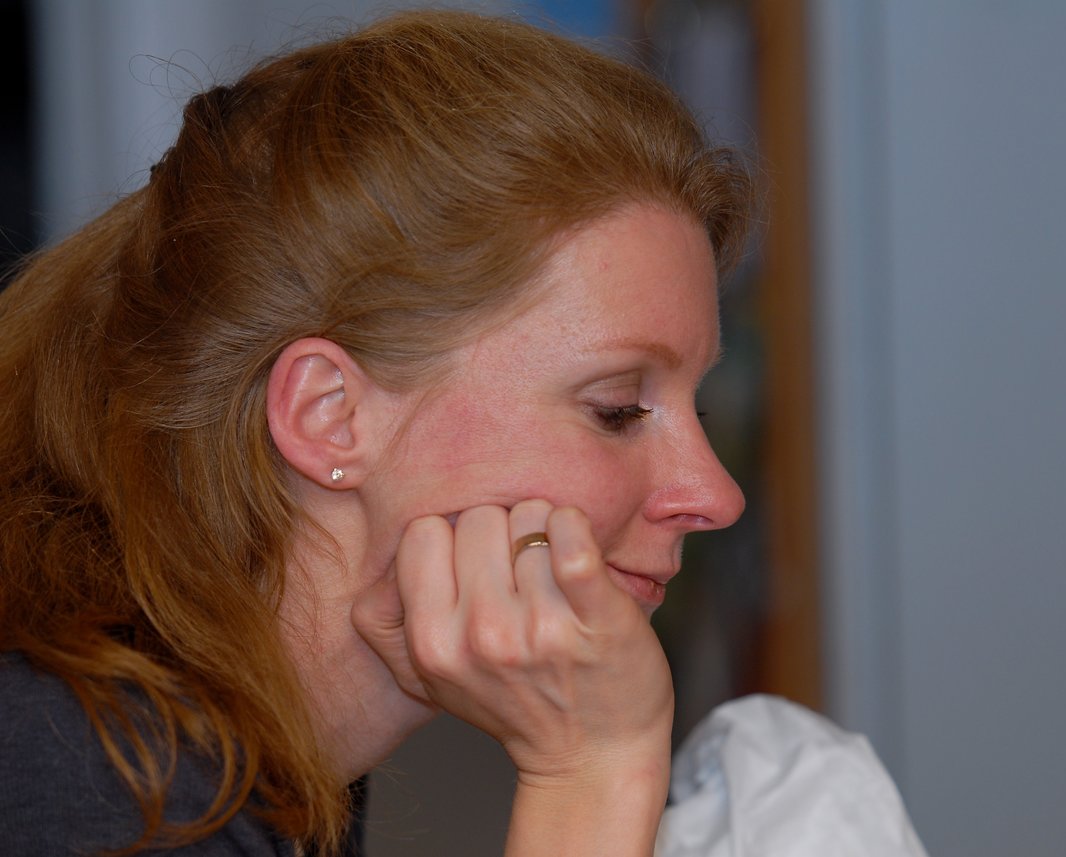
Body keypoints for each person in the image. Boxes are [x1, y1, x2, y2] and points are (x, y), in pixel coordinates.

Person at [0, 9, 753, 857]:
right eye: (617, 407)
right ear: (330, 415)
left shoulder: (242, 769)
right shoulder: (88, 785)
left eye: (697, 403)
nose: (714, 495)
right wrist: (595, 773)